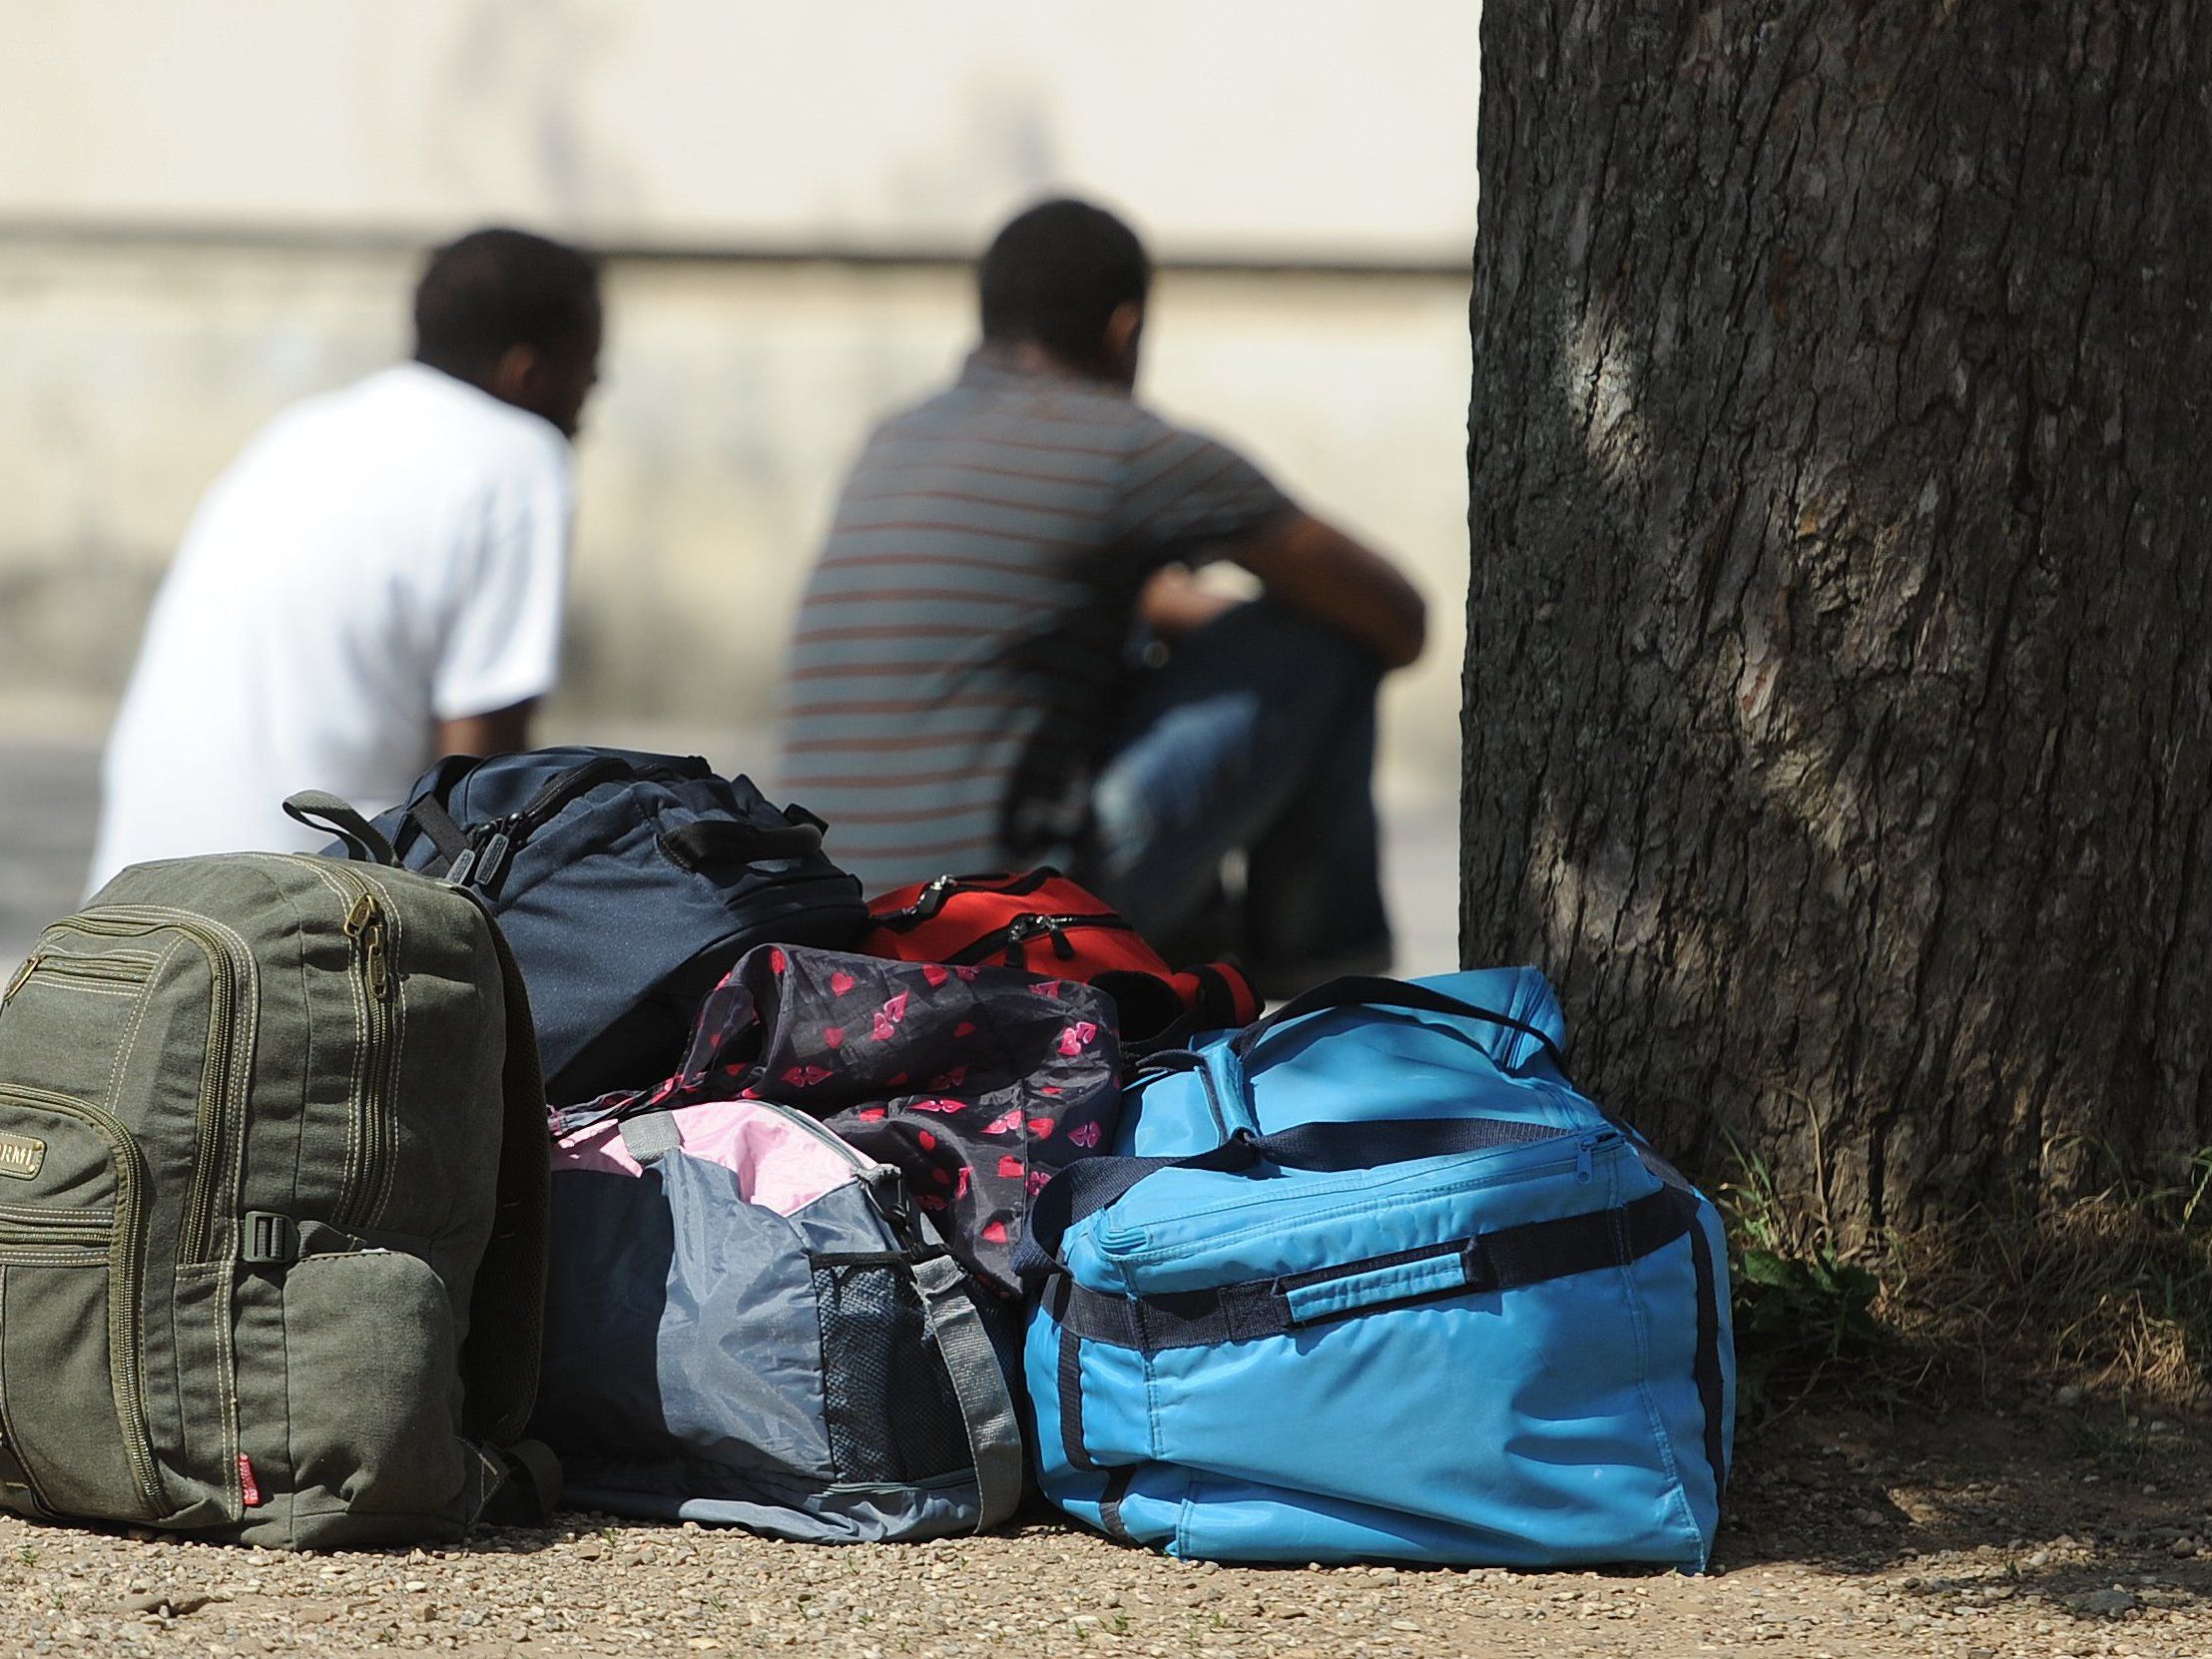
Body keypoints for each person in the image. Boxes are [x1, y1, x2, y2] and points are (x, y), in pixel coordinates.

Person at [778, 198, 1426, 991]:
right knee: (1324, 644)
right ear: (1125, 328)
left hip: (837, 921)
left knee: (1121, 675)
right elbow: (1395, 616)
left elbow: (1067, 595)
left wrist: (1186, 618)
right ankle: (1323, 984)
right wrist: (1239, 640)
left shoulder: (896, 438)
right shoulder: (1125, 448)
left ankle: (1188, 971)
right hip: (1003, 923)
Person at [89, 227, 602, 890]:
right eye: (590, 367)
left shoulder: (305, 430)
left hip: (128, 905)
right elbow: (482, 785)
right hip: (293, 927)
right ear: (527, 373)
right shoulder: (519, 458)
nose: (597, 388)